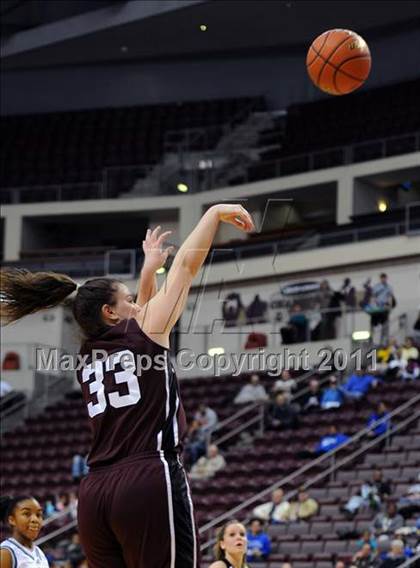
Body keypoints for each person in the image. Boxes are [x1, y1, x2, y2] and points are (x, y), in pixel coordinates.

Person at [0, 203, 255, 568]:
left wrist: (148, 271)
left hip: (95, 494)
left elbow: (142, 323)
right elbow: (185, 267)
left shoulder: (87, 355)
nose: (138, 304)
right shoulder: (145, 330)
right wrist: (213, 214)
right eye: (129, 300)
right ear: (109, 311)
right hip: (146, 477)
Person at [0, 495, 49, 567]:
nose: (35, 519)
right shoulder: (6, 553)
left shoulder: (39, 552)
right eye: (26, 514)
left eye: (38, 515)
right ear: (12, 520)